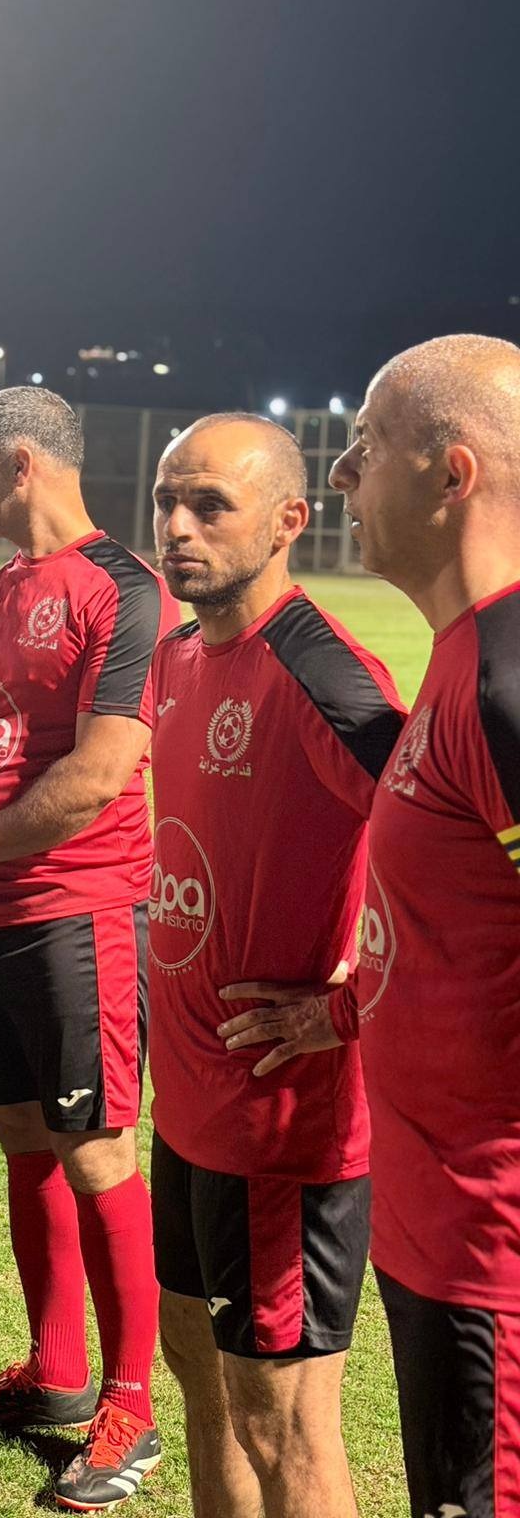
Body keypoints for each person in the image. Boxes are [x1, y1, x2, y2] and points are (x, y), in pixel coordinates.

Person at [0, 386, 177, 1512]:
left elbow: (102, 772)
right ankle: (57, 1369)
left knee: (96, 1149)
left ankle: (131, 1406)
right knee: (21, 1134)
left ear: (19, 463)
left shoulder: (124, 589)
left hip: (80, 914)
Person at [146, 414, 405, 1518]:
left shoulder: (325, 675)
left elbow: (463, 853)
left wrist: (343, 1011)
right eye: (168, 500)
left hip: (280, 1130)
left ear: (289, 520)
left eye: (210, 506)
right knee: (198, 1376)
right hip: (186, 1105)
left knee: (282, 1420)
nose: (177, 527)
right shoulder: (175, 656)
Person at [316, 334, 520, 1518]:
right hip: (439, 1228)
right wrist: (344, 1008)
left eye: (365, 446)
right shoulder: (462, 657)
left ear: (452, 474)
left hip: (495, 1255)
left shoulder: (507, 683)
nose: (342, 473)